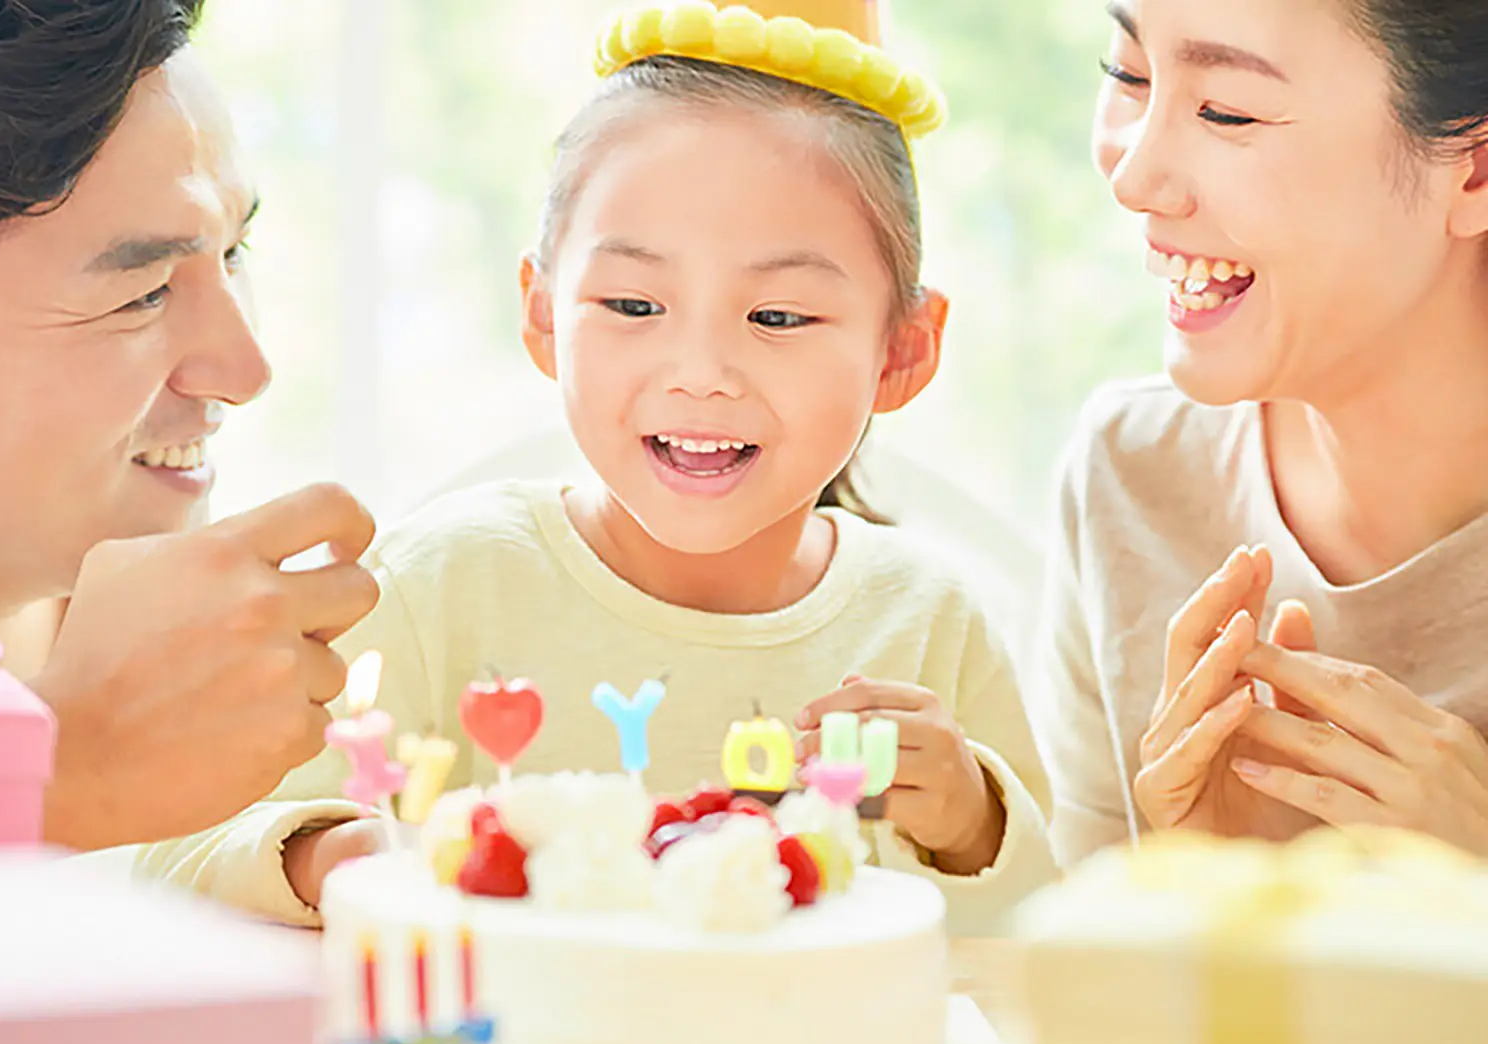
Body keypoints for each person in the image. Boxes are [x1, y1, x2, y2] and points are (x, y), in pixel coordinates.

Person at [136, 0, 1058, 936]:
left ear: (903, 349)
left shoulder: (929, 625)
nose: (701, 372)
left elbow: (1043, 954)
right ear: (543, 314)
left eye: (777, 317)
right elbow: (175, 856)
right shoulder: (439, 586)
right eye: (632, 305)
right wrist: (327, 857)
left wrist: (970, 827)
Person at [0, 0, 380, 850]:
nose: (247, 371)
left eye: (234, 254)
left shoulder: (227, 670)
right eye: (143, 294)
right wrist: (65, 770)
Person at [1036, 0, 1488, 864]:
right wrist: (1201, 884)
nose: (1132, 177)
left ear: (1475, 168)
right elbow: (1068, 929)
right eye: (1129, 75)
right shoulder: (1131, 475)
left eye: (1226, 111)